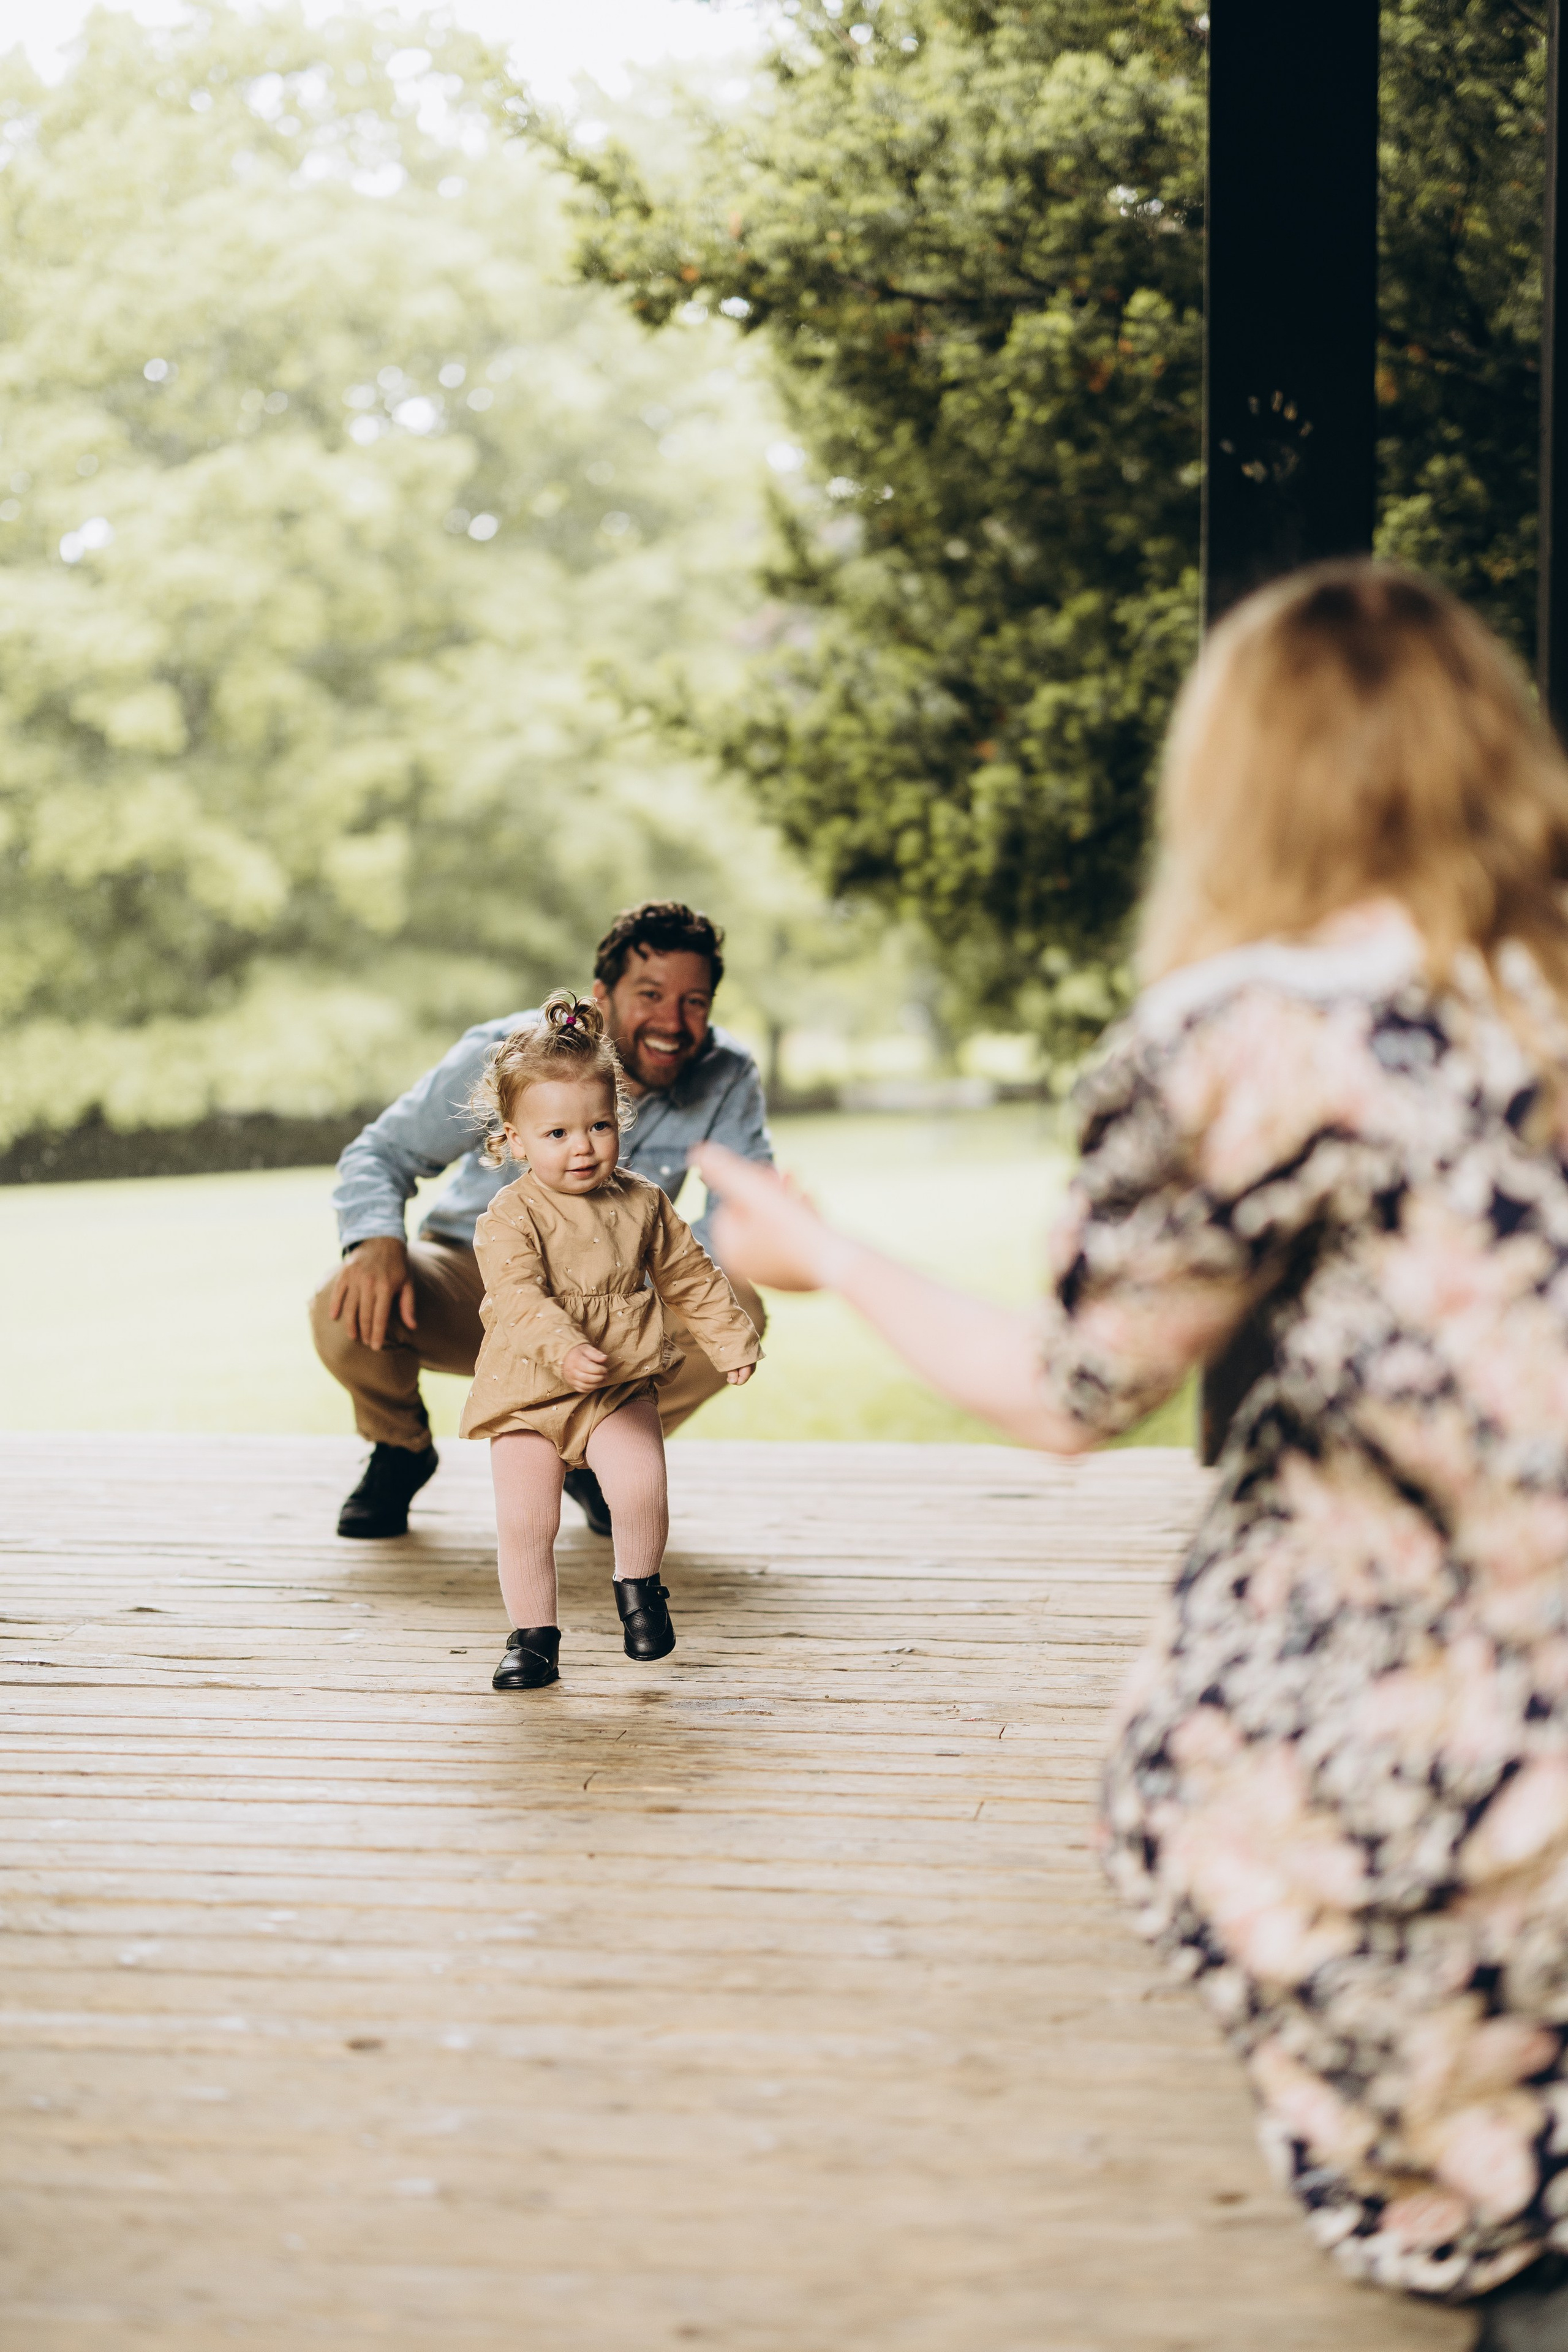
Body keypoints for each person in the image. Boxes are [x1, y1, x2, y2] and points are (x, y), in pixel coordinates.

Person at [692, 563, 1568, 2340]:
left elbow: (1071, 1390)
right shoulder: (1536, 987)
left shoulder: (1252, 1034)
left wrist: (826, 1255)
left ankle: (1464, 2187)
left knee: (1192, 1791)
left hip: (1426, 1678)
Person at [310, 900, 771, 1540]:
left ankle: (594, 1448)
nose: (673, 1020)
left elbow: (737, 1218)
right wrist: (375, 1240)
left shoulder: (727, 1074)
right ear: (603, 995)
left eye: (694, 1001)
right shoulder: (506, 1054)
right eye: (651, 994)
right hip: (476, 1277)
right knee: (346, 1297)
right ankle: (400, 1449)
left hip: (610, 1298)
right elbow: (381, 1152)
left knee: (734, 1306)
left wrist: (679, 1291)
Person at [461, 992, 760, 1690]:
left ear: (619, 1119)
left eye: (599, 1125)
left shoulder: (643, 1202)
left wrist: (729, 1337)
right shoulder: (509, 1217)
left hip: (617, 1382)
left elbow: (690, 1274)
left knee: (640, 1484)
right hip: (529, 1390)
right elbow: (517, 1297)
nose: (583, 1146)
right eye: (557, 1134)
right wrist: (564, 1348)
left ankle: (640, 1591)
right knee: (526, 1522)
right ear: (514, 1139)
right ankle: (533, 1638)